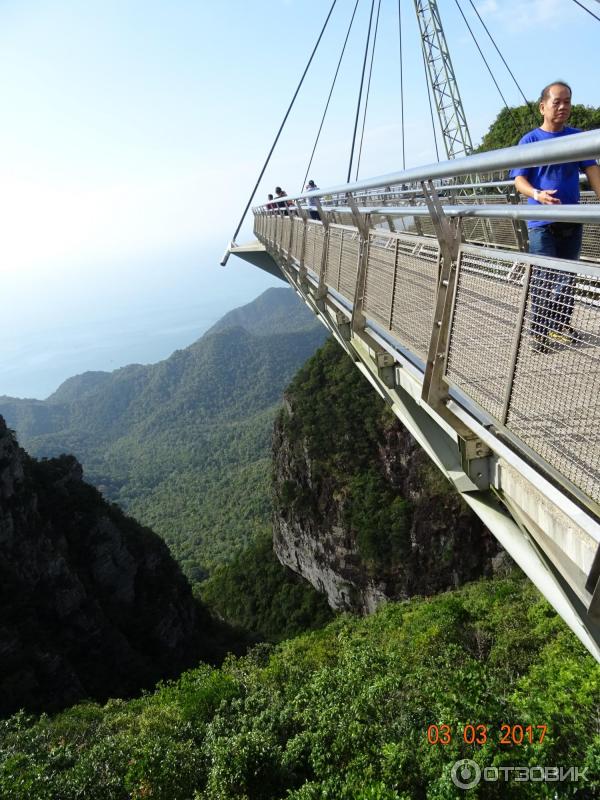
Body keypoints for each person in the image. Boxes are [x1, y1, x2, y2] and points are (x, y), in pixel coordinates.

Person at [510, 81, 600, 353]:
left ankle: (559, 325)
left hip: (571, 218)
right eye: (557, 102)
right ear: (542, 107)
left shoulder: (577, 138)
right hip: (541, 222)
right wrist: (537, 194)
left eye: (568, 102)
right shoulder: (530, 140)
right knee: (545, 277)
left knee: (567, 276)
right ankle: (539, 330)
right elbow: (519, 180)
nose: (563, 107)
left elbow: (592, 171)